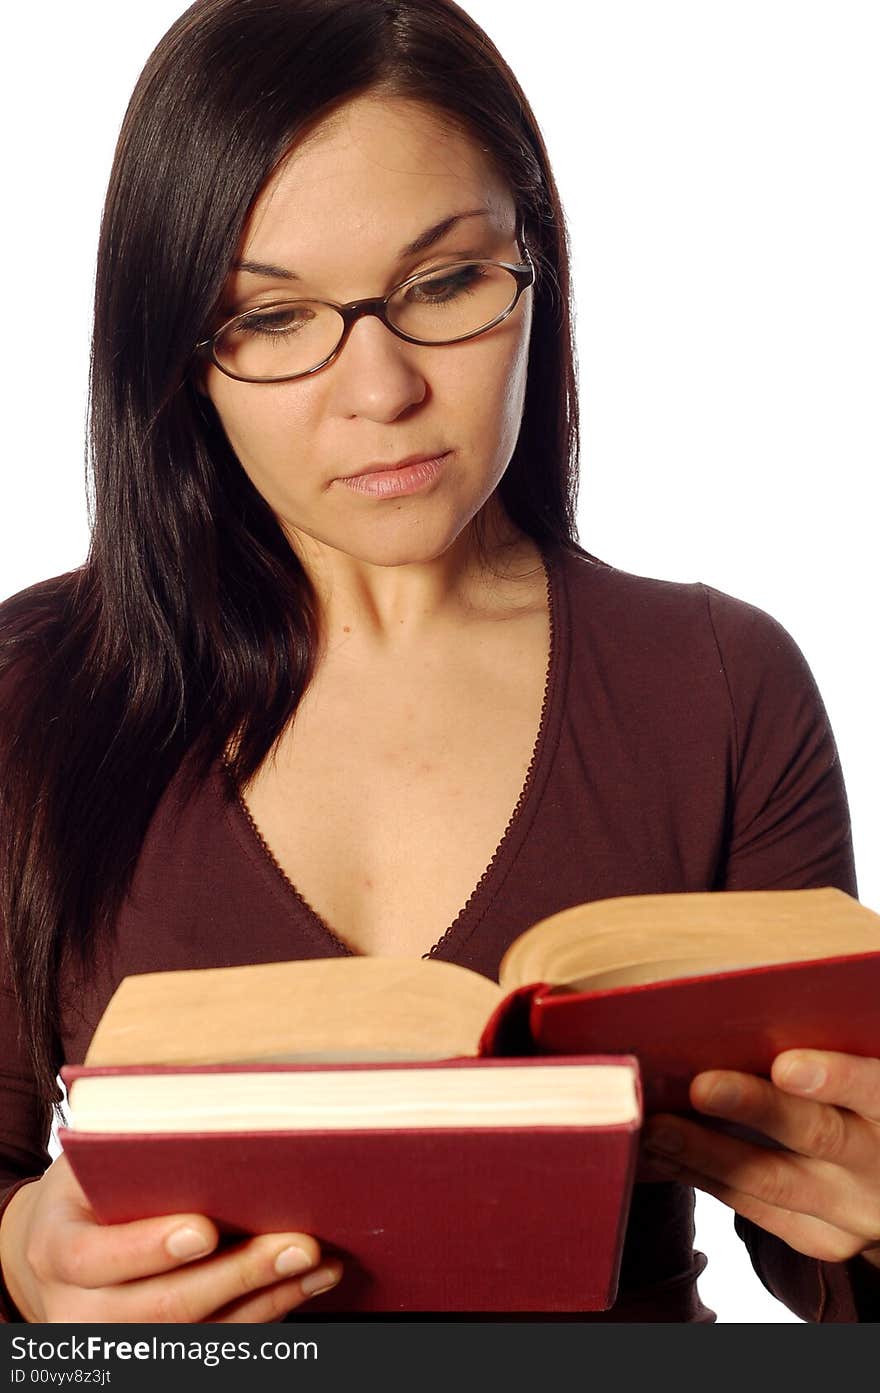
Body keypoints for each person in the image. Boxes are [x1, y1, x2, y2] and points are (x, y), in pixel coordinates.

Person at [0, 0, 878, 1324]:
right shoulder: (31, 689)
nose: (382, 390)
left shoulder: (722, 685)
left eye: (448, 283)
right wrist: (21, 1262)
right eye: (275, 318)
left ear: (536, 271)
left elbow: (831, 1273)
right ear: (181, 357)